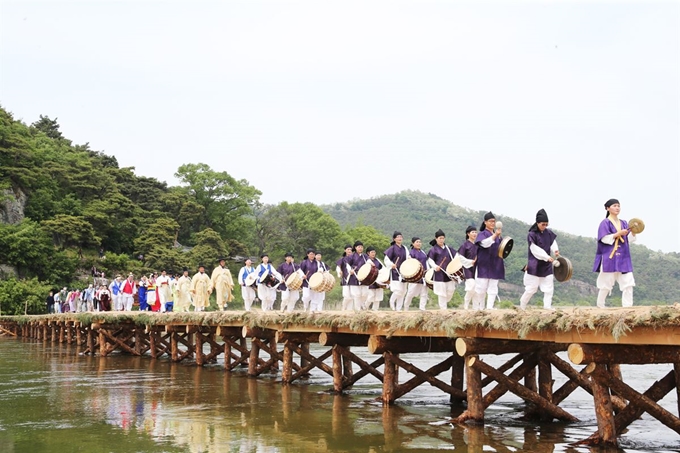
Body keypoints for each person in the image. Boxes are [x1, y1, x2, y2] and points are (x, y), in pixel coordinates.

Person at [594, 198, 636, 308]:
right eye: (614, 206)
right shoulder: (605, 223)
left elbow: (628, 239)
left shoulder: (624, 223)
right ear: (608, 208)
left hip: (623, 256)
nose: (617, 208)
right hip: (610, 256)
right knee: (606, 282)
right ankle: (600, 304)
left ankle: (628, 306)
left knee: (628, 282)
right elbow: (603, 239)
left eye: (618, 206)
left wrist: (634, 233)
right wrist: (618, 234)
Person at [519, 209, 559, 310]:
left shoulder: (548, 233)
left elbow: (552, 242)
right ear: (537, 223)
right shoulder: (532, 234)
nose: (544, 226)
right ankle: (522, 306)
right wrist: (546, 257)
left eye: (546, 224)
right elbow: (534, 249)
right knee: (531, 288)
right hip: (535, 264)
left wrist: (555, 250)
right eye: (543, 224)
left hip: (546, 266)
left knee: (549, 287)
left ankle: (547, 307)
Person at [427, 229, 473, 309]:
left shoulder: (448, 248)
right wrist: (435, 267)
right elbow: (430, 260)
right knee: (441, 293)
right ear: (436, 238)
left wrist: (457, 264)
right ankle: (443, 309)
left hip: (449, 273)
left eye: (442, 238)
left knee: (450, 290)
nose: (441, 240)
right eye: (440, 238)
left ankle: (444, 303)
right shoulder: (433, 250)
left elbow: (456, 257)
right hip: (439, 274)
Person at [472, 212, 505, 310]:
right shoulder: (482, 234)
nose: (492, 223)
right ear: (485, 222)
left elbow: (502, 249)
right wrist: (495, 235)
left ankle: (490, 307)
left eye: (494, 221)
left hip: (495, 264)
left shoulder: (498, 236)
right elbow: (484, 244)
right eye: (490, 221)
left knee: (493, 287)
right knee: (481, 288)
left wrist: (497, 236)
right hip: (484, 264)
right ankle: (479, 307)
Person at [384, 231, 409, 311]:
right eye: (398, 237)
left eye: (401, 237)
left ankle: (398, 308)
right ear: (394, 239)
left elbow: (408, 258)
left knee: (403, 291)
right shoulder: (392, 248)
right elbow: (386, 260)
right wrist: (392, 265)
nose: (399, 238)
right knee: (398, 290)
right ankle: (391, 301)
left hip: (403, 271)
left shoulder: (404, 248)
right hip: (395, 271)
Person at [404, 237, 430, 311]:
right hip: (414, 275)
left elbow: (426, 262)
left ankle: (422, 308)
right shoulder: (411, 253)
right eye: (417, 242)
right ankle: (406, 307)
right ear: (413, 243)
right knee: (410, 293)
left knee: (424, 292)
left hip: (423, 275)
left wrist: (428, 271)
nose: (418, 243)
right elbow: (409, 263)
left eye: (419, 242)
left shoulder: (423, 252)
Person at [458, 227, 478, 310]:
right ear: (468, 234)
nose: (474, 234)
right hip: (467, 268)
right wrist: (470, 262)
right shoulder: (464, 245)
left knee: (476, 288)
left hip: (476, 269)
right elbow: (460, 257)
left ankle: (476, 307)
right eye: (473, 232)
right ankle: (466, 304)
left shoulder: (477, 245)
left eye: (476, 232)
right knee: (471, 286)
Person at [347, 241, 370, 310]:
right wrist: (350, 270)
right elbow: (347, 265)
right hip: (354, 276)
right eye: (359, 247)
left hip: (364, 277)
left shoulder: (365, 256)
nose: (360, 248)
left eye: (361, 247)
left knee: (365, 294)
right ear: (355, 248)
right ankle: (358, 309)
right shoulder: (351, 256)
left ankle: (362, 305)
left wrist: (371, 265)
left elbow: (369, 262)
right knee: (357, 294)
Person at [365, 247, 384, 311]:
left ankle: (375, 309)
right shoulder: (366, 260)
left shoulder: (377, 260)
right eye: (372, 252)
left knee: (378, 296)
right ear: (368, 253)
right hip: (371, 280)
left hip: (378, 279)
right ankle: (365, 307)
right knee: (371, 296)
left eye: (374, 252)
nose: (373, 254)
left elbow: (383, 268)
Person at [336, 245, 354, 311]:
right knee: (346, 296)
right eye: (348, 249)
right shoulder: (342, 259)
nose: (349, 251)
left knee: (352, 296)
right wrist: (339, 271)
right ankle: (343, 307)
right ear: (345, 250)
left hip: (354, 279)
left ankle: (349, 310)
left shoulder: (354, 259)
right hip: (345, 278)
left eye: (350, 249)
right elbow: (338, 267)